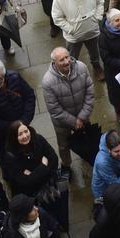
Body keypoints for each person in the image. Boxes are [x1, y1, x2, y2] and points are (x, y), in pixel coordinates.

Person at [41, 47, 95, 178]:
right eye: (62, 60)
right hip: (62, 123)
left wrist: (82, 117)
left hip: (83, 115)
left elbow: (90, 91)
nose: (66, 62)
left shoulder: (81, 67)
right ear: (54, 63)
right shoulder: (48, 81)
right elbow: (54, 109)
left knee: (87, 138)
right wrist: (73, 121)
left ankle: (87, 156)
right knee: (63, 145)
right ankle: (66, 164)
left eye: (67, 57)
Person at [0, 59, 36, 157]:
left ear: (4, 75)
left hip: (23, 124)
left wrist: (24, 120)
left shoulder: (15, 78)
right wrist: (16, 127)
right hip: (3, 134)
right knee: (6, 156)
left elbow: (29, 95)